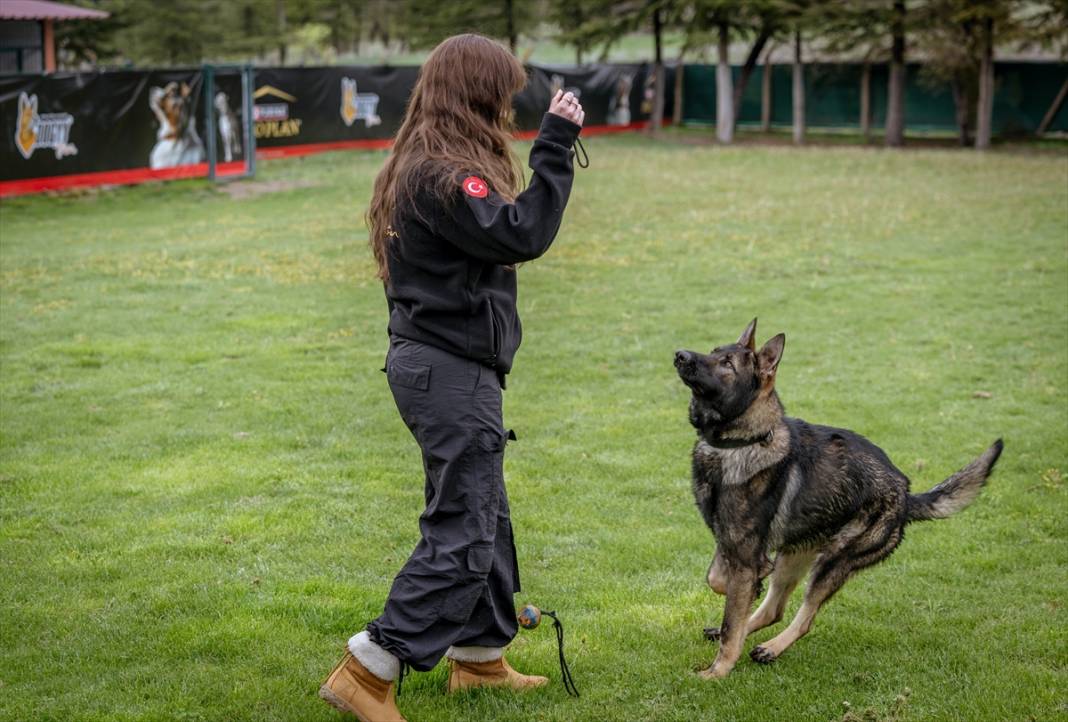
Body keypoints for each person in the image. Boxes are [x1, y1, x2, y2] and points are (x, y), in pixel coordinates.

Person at [319, 34, 584, 722]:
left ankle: (480, 659)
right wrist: (555, 145)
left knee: (485, 515)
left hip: (440, 364)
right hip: (447, 369)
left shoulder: (425, 161)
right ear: (476, 94)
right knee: (464, 526)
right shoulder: (443, 174)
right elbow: (521, 233)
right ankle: (368, 668)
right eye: (501, 94)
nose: (507, 107)